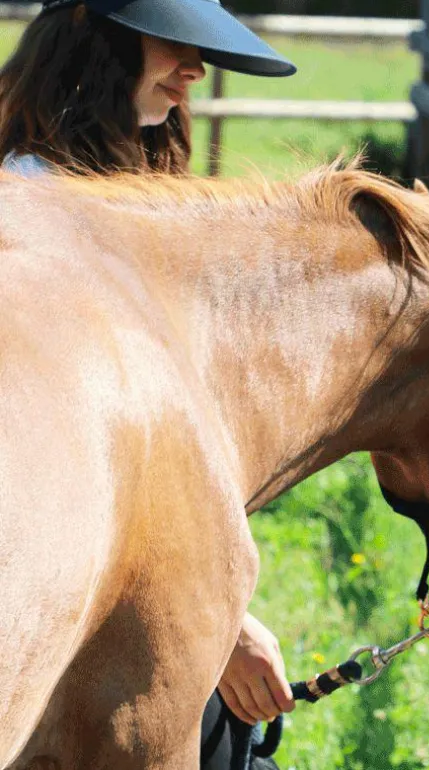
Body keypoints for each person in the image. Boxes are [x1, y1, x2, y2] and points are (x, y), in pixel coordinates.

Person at [0, 1, 297, 767]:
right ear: (99, 43)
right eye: (173, 42)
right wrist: (219, 625)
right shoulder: (34, 210)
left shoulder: (100, 197)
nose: (195, 70)